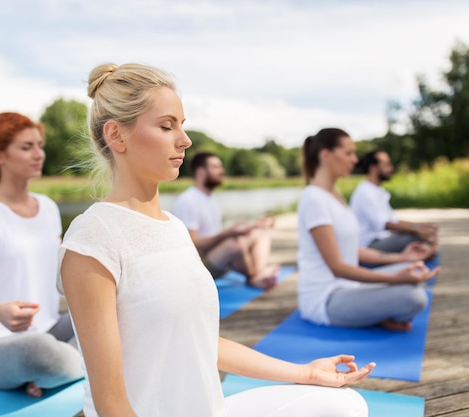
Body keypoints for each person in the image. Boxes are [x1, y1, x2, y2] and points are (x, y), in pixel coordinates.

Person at [58, 63, 375, 417]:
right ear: (117, 136)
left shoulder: (174, 227)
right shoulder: (92, 238)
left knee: (344, 404)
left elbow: (202, 343)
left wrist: (306, 373)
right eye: (167, 126)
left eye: (182, 124)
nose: (185, 139)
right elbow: (110, 403)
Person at [0, 112, 83, 398]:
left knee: (117, 311)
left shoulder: (48, 208)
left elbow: (63, 275)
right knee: (37, 353)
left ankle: (56, 372)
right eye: (26, 147)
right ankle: (58, 368)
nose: (38, 154)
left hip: (49, 329)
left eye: (40, 145)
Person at [298, 128, 440, 332]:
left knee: (416, 269)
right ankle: (372, 313)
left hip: (350, 287)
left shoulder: (335, 196)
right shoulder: (314, 198)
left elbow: (352, 250)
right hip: (326, 298)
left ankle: (372, 312)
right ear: (326, 155)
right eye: (348, 153)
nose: (354, 160)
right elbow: (337, 267)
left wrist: (401, 259)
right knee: (414, 297)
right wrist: (394, 279)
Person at [171, 152, 279, 289]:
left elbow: (213, 235)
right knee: (236, 245)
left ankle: (257, 275)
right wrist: (228, 233)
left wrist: (248, 228)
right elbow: (193, 246)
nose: (222, 171)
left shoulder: (210, 199)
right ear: (200, 172)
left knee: (260, 233)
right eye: (215, 167)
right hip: (198, 264)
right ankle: (257, 276)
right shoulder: (188, 201)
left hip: (214, 254)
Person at [350, 150, 438, 252]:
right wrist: (417, 229)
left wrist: (422, 226)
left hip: (381, 240)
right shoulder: (365, 192)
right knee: (413, 237)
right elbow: (386, 224)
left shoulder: (377, 190)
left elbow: (394, 220)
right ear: (373, 168)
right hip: (368, 245)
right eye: (386, 165)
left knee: (422, 235)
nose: (390, 168)